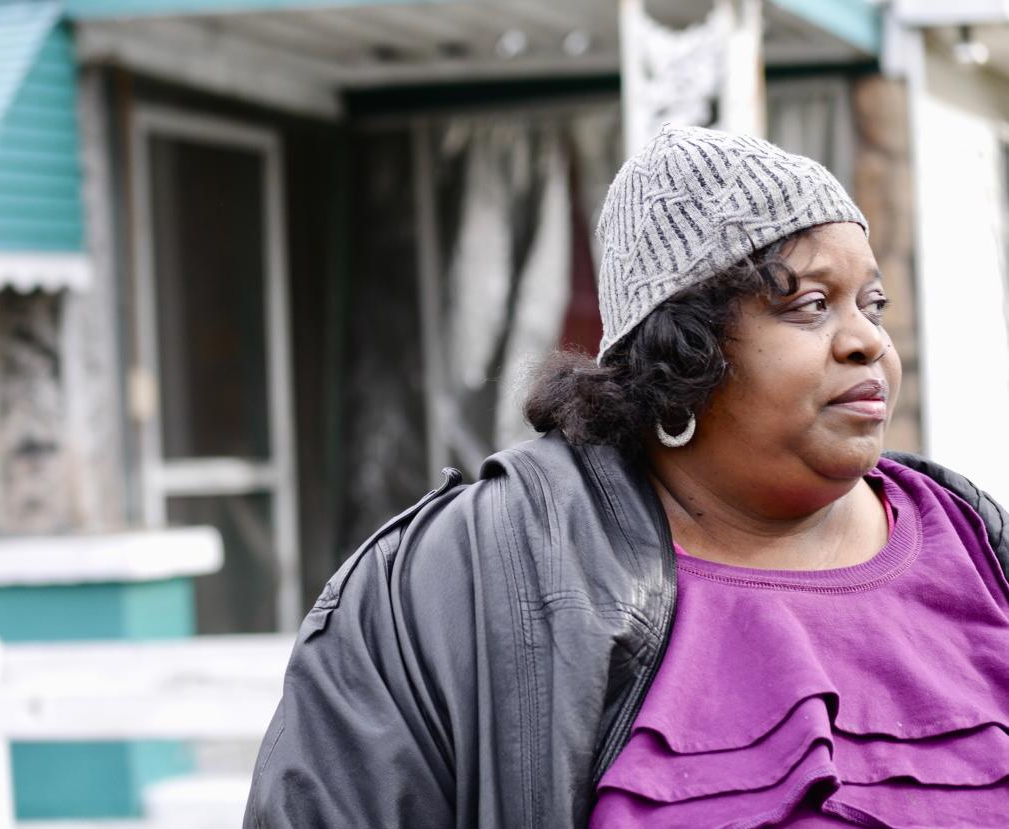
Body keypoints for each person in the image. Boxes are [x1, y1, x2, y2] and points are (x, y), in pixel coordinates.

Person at [243, 126, 1009, 828]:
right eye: (809, 305)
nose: (867, 341)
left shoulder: (976, 542)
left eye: (870, 303)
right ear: (684, 354)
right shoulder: (464, 578)